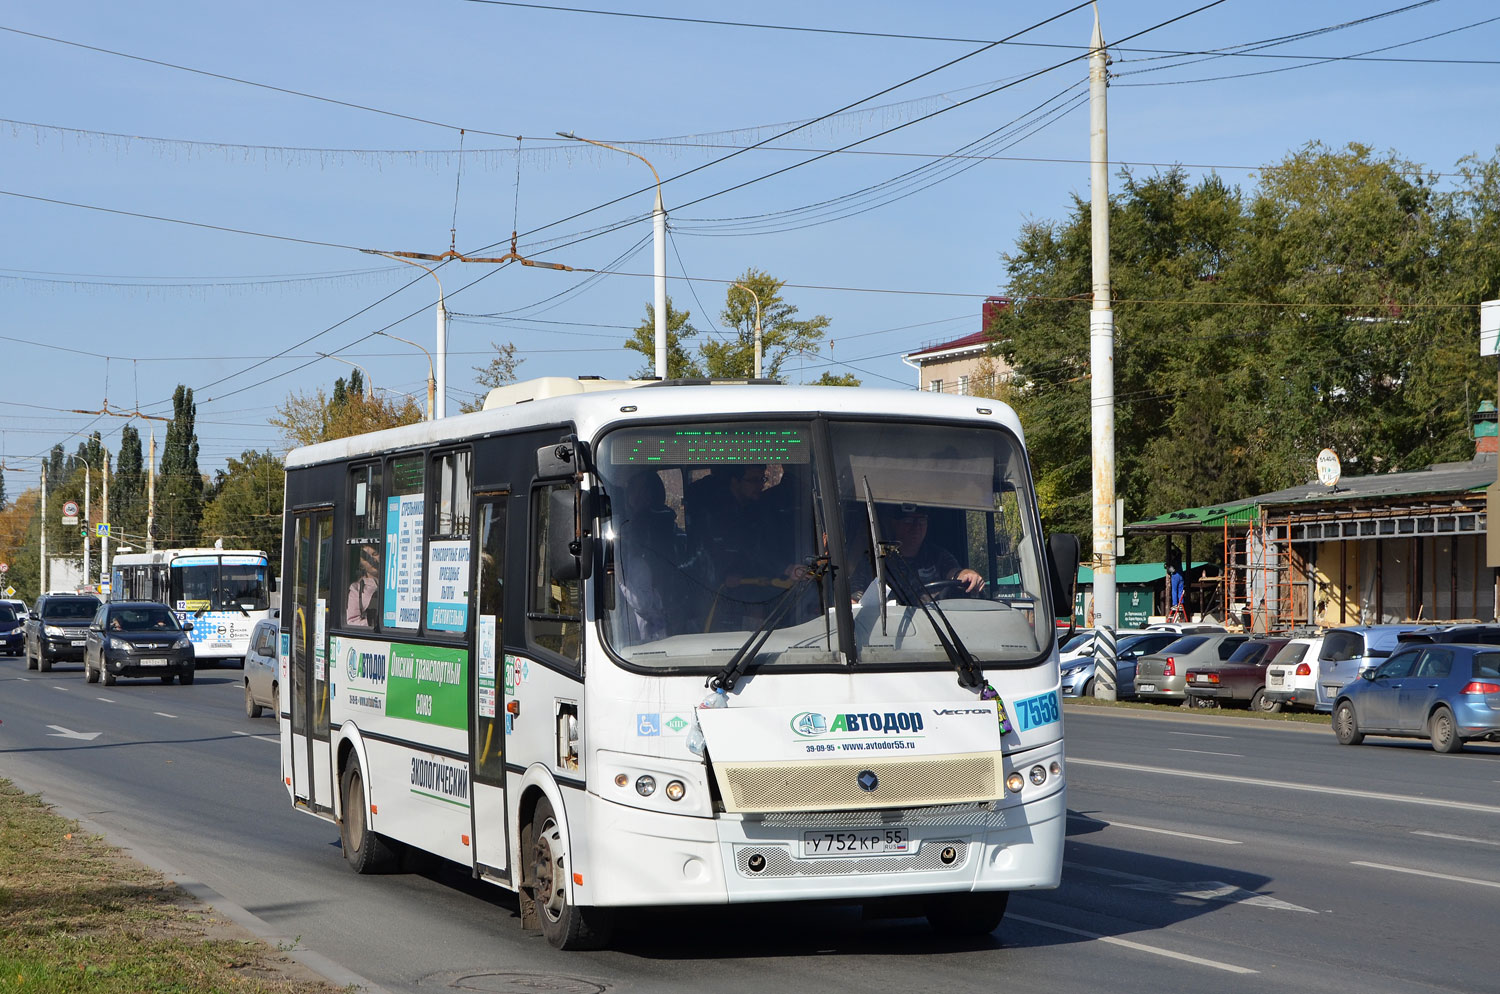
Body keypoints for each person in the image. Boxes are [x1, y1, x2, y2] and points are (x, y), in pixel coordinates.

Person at [880, 504, 984, 594]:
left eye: (922, 521)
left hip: (935, 615)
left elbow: (954, 572)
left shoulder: (937, 556)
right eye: (909, 521)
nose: (916, 527)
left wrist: (967, 574)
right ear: (894, 524)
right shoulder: (881, 559)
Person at [346, 546, 380, 627]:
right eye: (366, 557)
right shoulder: (356, 589)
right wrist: (372, 622)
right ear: (361, 565)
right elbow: (351, 622)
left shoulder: (394, 583)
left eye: (375, 554)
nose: (372, 559)